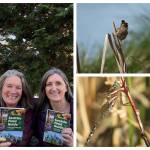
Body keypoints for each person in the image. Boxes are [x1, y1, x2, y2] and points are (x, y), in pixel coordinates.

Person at [35, 67, 73, 146]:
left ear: (66, 87)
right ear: (44, 89)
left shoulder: (81, 110)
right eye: (49, 84)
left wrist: (73, 145)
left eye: (58, 83)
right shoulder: (38, 112)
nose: (54, 88)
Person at [0, 69, 34, 146]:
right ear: (1, 88)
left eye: (18, 87)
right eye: (9, 86)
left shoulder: (31, 112)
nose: (13, 91)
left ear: (23, 91)